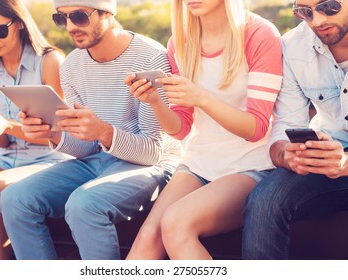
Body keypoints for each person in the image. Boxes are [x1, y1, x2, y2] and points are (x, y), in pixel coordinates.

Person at [0, 0, 182, 260]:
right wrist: (53, 133)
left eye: (79, 17)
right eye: (62, 19)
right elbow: (88, 148)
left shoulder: (151, 57)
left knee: (84, 204)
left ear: (107, 12)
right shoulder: (71, 65)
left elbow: (153, 152)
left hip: (151, 164)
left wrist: (104, 132)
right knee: (14, 198)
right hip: (98, 161)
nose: (70, 26)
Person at [125, 0, 283, 259]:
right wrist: (155, 100)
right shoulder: (180, 41)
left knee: (176, 224)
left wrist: (201, 98)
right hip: (198, 163)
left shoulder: (260, 34)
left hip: (251, 165)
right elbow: (180, 129)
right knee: (147, 236)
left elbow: (256, 128)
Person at [0, 0, 70, 260]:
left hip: (52, 160)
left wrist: (7, 125)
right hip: (9, 159)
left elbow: (60, 136)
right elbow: (1, 144)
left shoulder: (50, 61)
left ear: (19, 23)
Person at [242, 0, 348, 259]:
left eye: (329, 6)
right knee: (266, 200)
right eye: (304, 11)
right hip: (326, 161)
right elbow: (285, 127)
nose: (318, 20)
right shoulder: (293, 46)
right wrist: (286, 155)